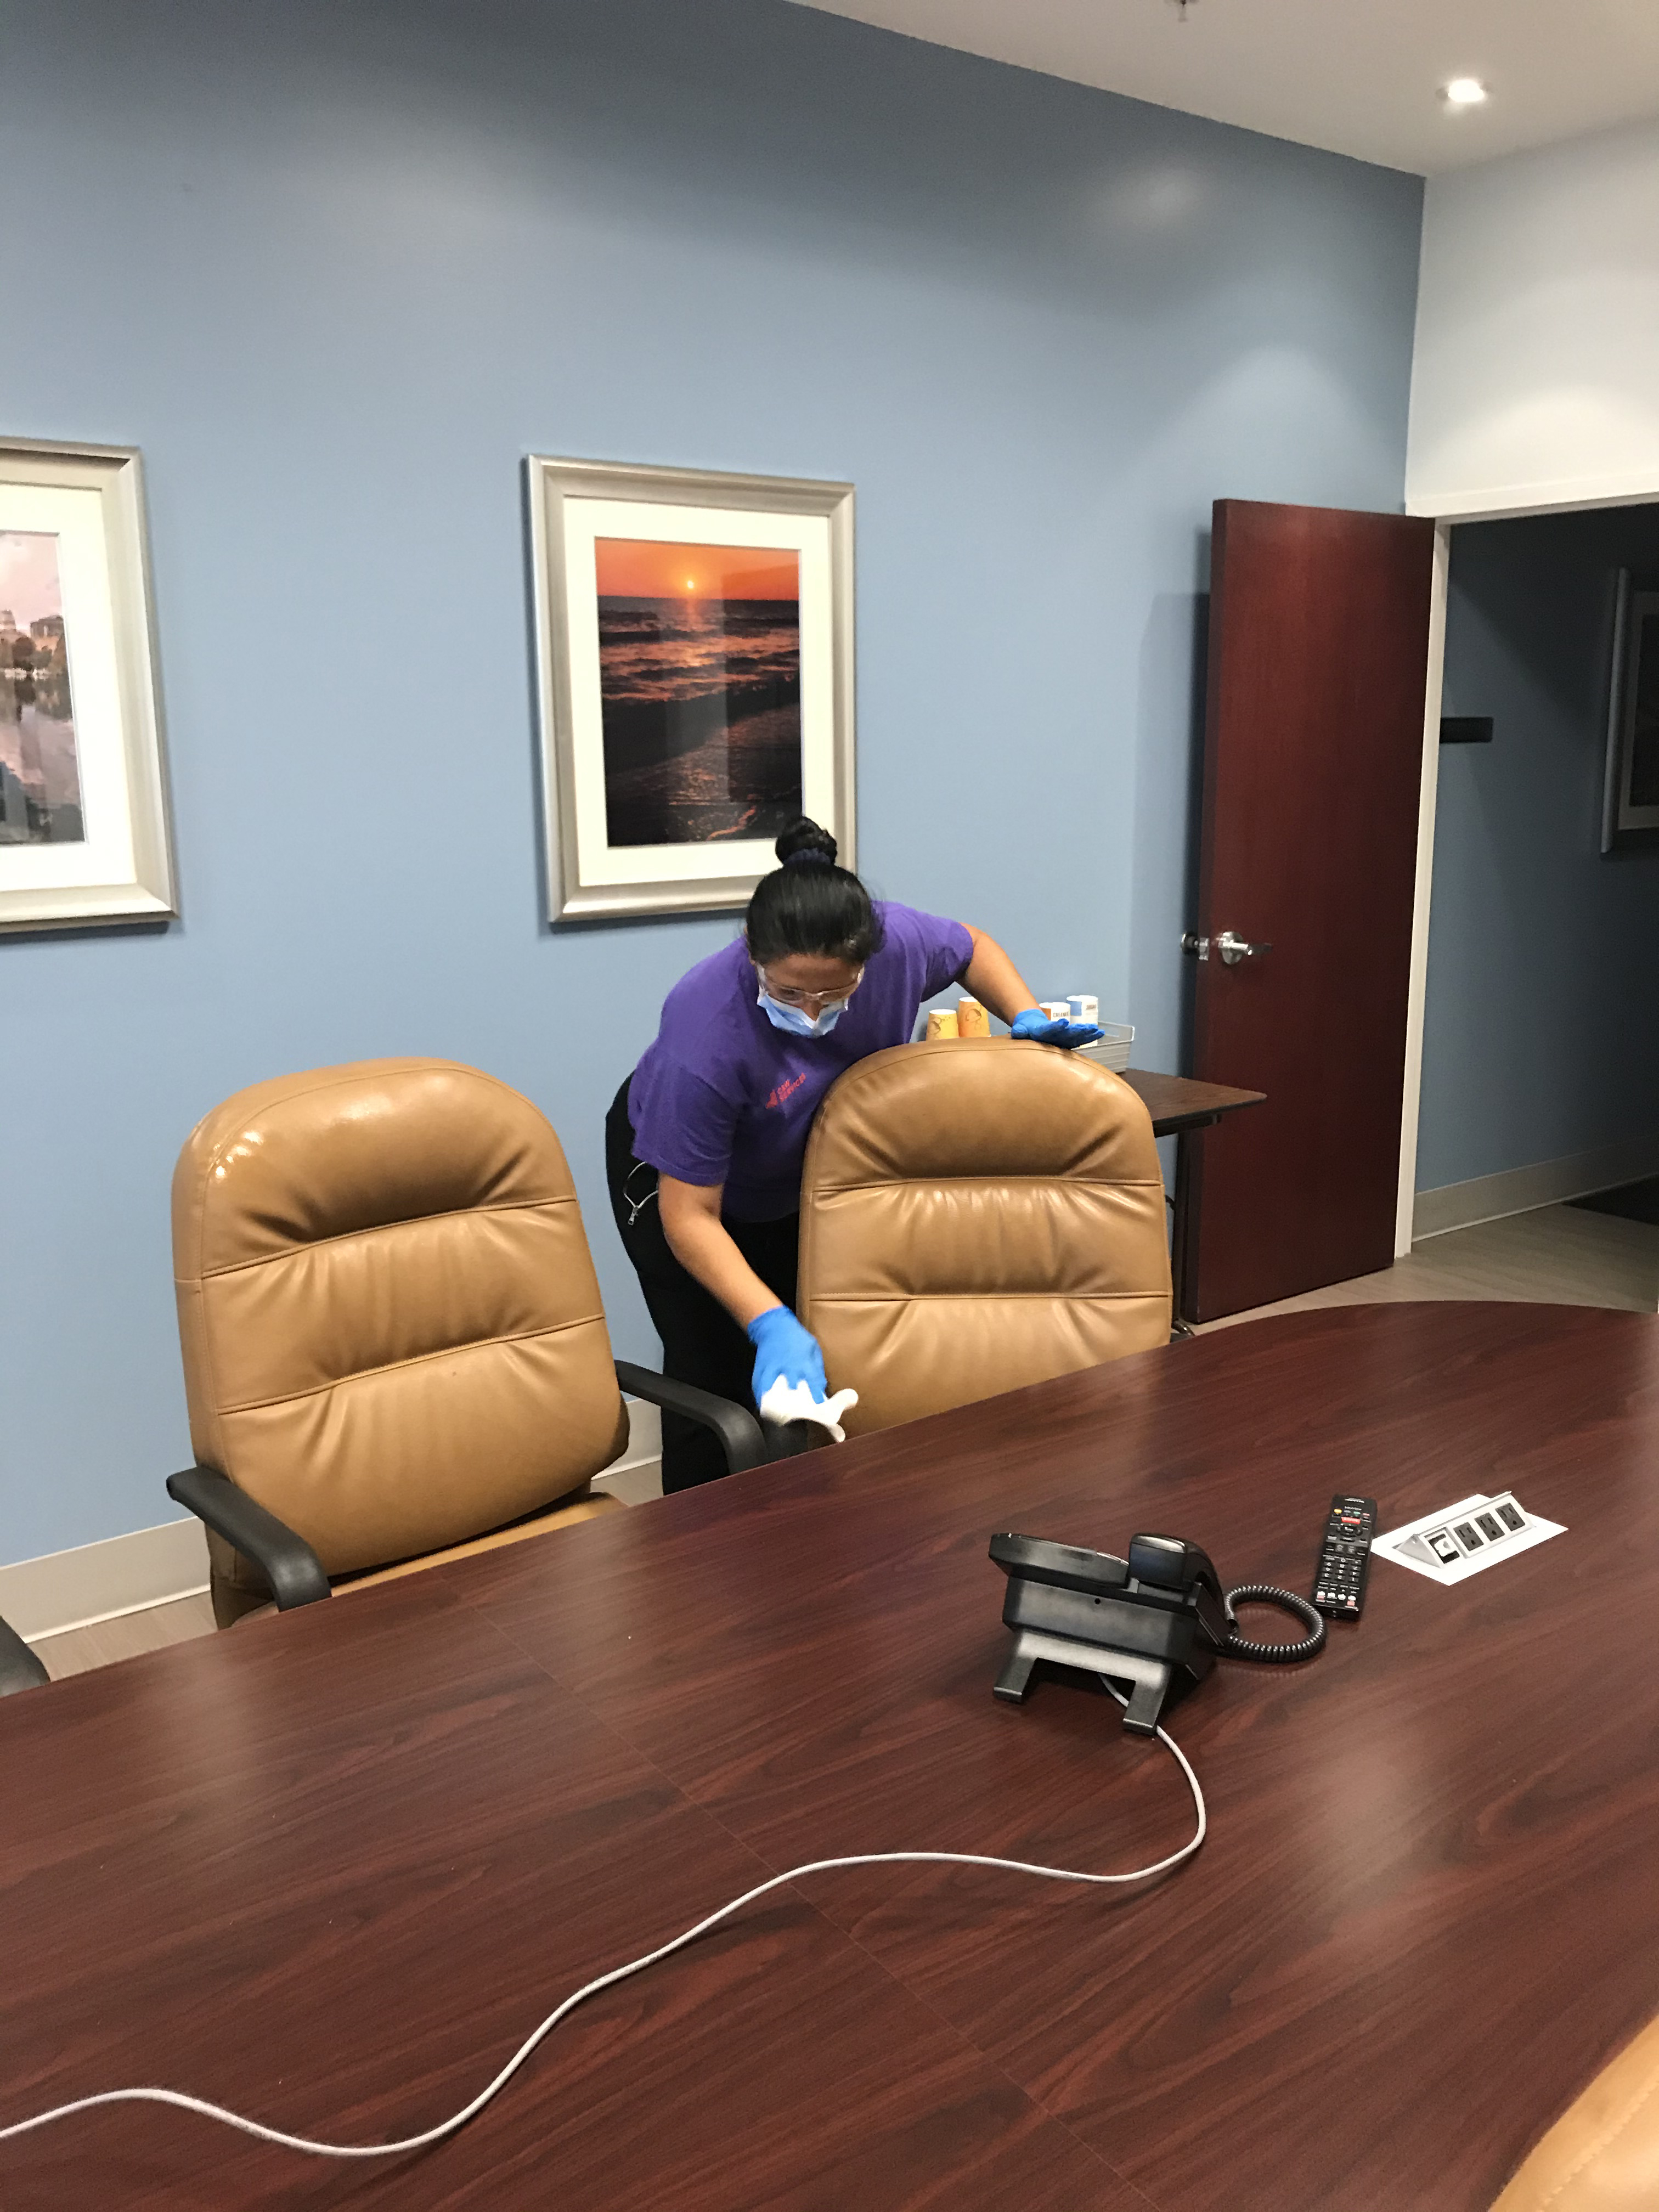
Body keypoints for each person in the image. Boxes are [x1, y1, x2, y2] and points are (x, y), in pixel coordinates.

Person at [606, 816, 1101, 1492]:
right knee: (713, 1363)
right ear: (752, 953)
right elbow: (691, 1217)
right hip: (677, 1182)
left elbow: (971, 947)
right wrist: (770, 1322)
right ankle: (698, 1551)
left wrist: (1025, 1015)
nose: (810, 1014)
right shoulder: (704, 1033)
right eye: (786, 993)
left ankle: (804, 1530)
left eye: (833, 994)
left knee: (830, 1338)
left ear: (869, 960)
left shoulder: (897, 944)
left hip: (797, 1166)